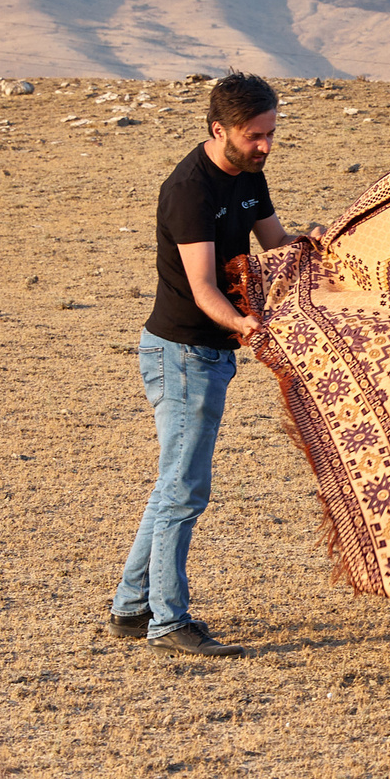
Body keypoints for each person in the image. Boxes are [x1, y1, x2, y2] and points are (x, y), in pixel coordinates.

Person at [108, 72, 313, 656]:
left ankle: (131, 606)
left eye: (271, 133)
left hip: (207, 354)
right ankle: (169, 623)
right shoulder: (189, 191)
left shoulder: (249, 177)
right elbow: (203, 290)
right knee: (185, 489)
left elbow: (276, 246)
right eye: (254, 136)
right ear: (218, 128)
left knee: (173, 482)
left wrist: (315, 243)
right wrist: (248, 325)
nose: (265, 146)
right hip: (183, 354)